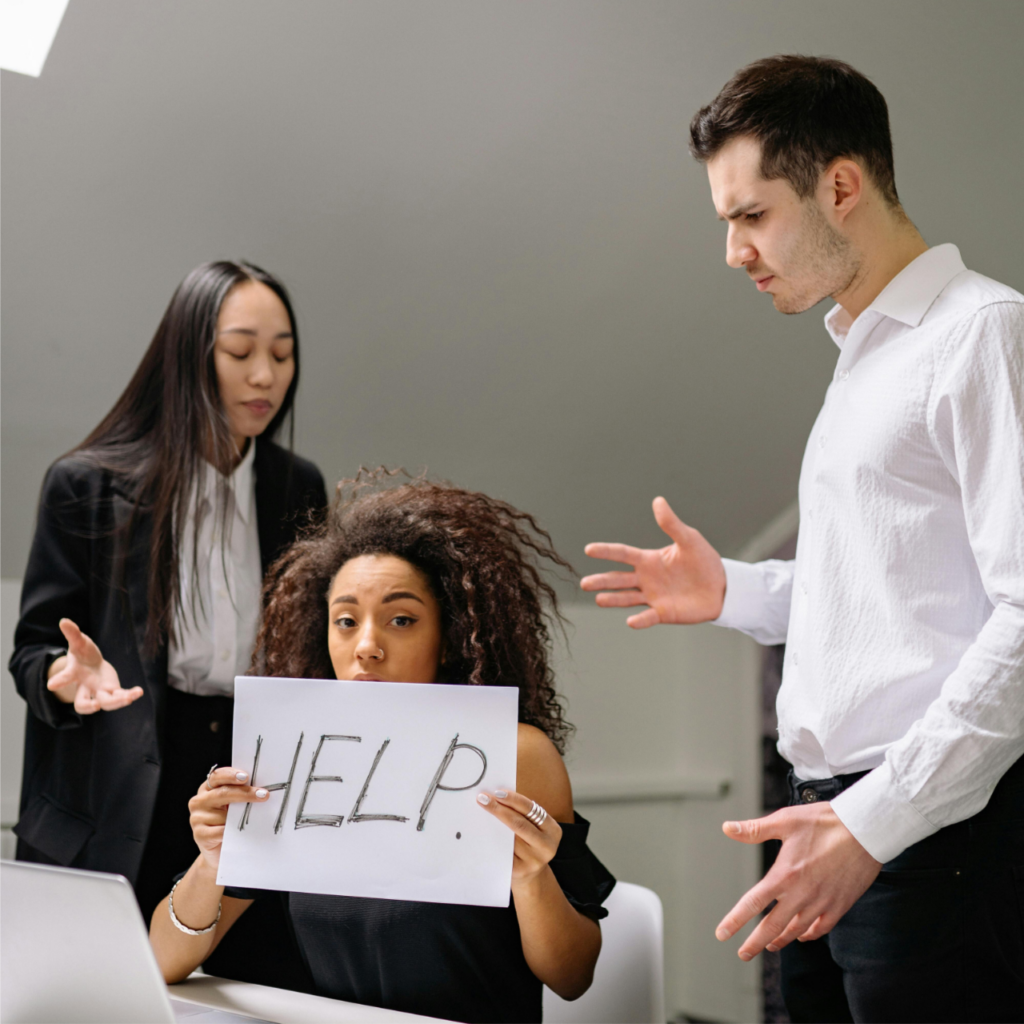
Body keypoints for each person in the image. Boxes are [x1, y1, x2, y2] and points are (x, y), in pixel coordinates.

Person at [581, 55, 1024, 1023]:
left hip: (926, 833)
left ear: (840, 184)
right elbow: (889, 595)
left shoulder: (981, 335)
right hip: (831, 815)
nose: (734, 250)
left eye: (750, 214)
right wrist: (733, 592)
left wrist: (873, 823)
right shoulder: (864, 354)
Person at [150, 474, 614, 1024]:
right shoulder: (293, 754)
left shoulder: (516, 755)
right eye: (345, 621)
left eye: (401, 620)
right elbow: (163, 963)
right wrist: (212, 862)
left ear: (450, 636)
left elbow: (572, 978)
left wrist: (533, 881)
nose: (366, 646)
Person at [10, 260, 327, 989]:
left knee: (244, 994)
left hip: (239, 784)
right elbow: (31, 650)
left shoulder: (295, 485)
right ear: (190, 355)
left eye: (282, 355)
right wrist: (63, 679)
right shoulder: (86, 485)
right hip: (116, 787)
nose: (265, 377)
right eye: (241, 351)